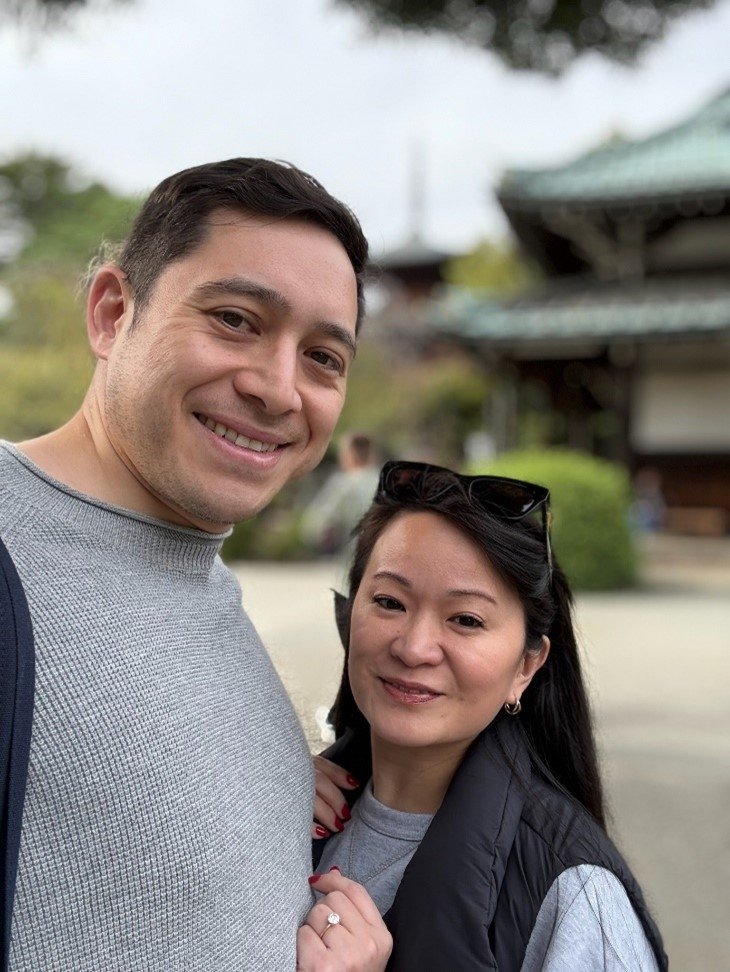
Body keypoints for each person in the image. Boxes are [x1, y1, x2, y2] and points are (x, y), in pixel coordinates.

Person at [0, 158, 391, 971]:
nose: (280, 389)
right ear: (112, 314)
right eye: (236, 320)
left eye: (324, 357)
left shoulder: (206, 587)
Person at [310, 461, 668, 971]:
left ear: (526, 665)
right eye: (389, 602)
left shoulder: (576, 895)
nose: (414, 648)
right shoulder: (295, 806)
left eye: (466, 619)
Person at [303, 433, 381, 555]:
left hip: (354, 555)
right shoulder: (386, 480)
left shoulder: (343, 484)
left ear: (350, 454)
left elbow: (317, 521)